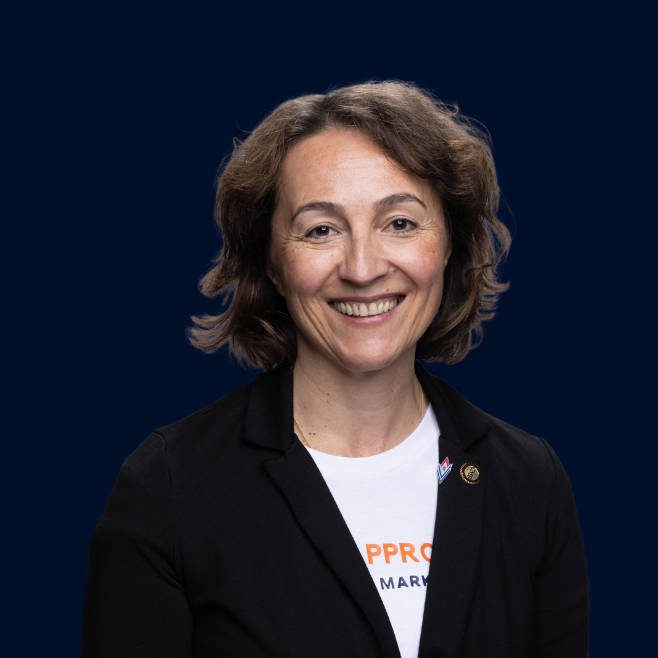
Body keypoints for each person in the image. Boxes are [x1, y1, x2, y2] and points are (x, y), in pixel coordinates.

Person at [82, 81, 589, 657]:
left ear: (449, 244)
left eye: (400, 222)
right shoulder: (170, 488)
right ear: (272, 263)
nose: (363, 268)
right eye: (321, 229)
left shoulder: (530, 482)